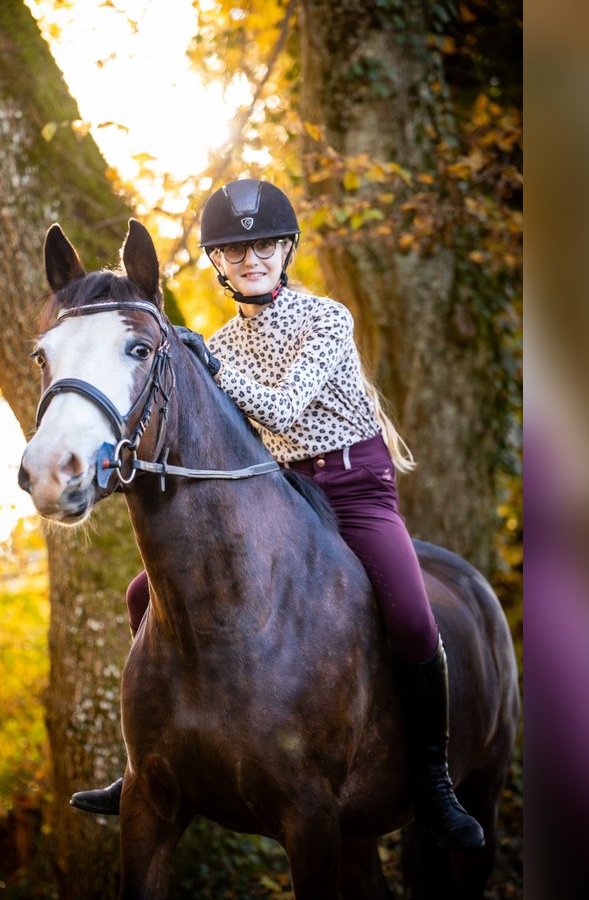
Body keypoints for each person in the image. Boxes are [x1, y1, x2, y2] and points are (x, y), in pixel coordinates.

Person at [69, 178, 484, 852]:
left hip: (355, 489)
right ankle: (147, 762)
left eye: (263, 245)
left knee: (412, 616)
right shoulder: (218, 344)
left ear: (286, 249)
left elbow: (286, 409)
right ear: (217, 262)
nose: (250, 259)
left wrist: (203, 364)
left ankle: (434, 782)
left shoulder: (326, 319)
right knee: (143, 592)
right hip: (283, 490)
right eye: (234, 251)